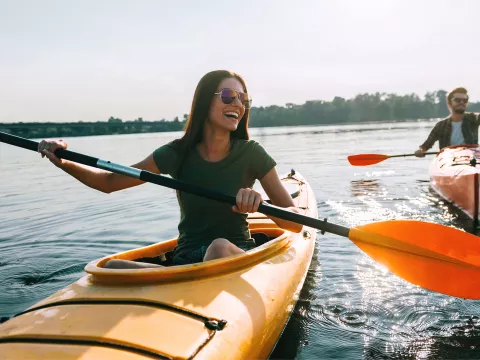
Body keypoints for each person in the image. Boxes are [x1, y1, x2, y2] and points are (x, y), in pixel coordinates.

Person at [37, 70, 302, 269]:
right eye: (228, 96)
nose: (238, 104)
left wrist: (260, 204)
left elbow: (294, 223)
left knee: (218, 248)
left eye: (244, 99)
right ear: (204, 102)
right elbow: (108, 182)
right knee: (110, 266)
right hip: (185, 260)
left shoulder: (252, 153)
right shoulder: (176, 153)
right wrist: (62, 160)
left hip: (232, 254)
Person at [415, 87, 480, 157]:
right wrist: (420, 151)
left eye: (465, 100)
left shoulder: (474, 118)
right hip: (449, 160)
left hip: (471, 159)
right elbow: (426, 146)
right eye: (458, 100)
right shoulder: (440, 126)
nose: (461, 102)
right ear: (449, 102)